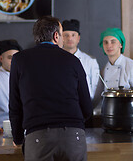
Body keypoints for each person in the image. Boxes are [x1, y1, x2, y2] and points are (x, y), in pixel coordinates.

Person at [9, 16, 92, 161]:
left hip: (38, 137)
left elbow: (15, 105)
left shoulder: (19, 60)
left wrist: (17, 138)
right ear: (55, 36)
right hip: (74, 137)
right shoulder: (73, 61)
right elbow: (86, 107)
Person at [96, 28, 133, 106]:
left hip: (129, 112)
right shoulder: (103, 70)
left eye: (113, 42)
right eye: (105, 42)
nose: (109, 45)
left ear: (121, 44)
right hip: (110, 112)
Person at [62, 19, 100, 99]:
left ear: (78, 38)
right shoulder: (56, 60)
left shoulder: (90, 61)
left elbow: (95, 90)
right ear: (61, 38)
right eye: (66, 35)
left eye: (73, 35)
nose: (70, 38)